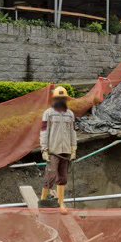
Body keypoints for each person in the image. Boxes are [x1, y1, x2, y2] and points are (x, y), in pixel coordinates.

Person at [39, 86, 77, 214]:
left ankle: (61, 203)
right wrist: (44, 149)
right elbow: (44, 132)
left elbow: (72, 132)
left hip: (65, 151)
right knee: (50, 176)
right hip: (53, 151)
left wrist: (73, 149)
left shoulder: (70, 114)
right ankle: (42, 202)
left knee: (63, 177)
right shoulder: (48, 113)